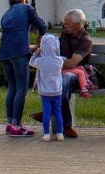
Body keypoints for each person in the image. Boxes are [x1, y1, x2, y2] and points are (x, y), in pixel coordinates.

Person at [30, 8, 91, 138]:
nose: (64, 25)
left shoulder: (86, 40)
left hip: (80, 74)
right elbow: (52, 51)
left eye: (68, 23)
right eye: (64, 22)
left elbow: (73, 62)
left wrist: (51, 64)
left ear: (78, 24)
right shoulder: (64, 35)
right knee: (55, 79)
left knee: (64, 80)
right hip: (59, 70)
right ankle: (55, 114)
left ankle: (64, 123)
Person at [0, 0, 47, 137]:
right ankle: (17, 125)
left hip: (4, 53)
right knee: (21, 89)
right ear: (24, 0)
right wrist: (42, 39)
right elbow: (41, 25)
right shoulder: (27, 8)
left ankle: (10, 123)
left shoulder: (6, 14)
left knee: (12, 88)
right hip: (19, 53)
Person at [29, 33, 65, 141]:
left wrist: (36, 53)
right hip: (57, 90)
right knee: (58, 111)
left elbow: (31, 62)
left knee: (47, 112)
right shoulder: (59, 60)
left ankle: (46, 134)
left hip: (45, 91)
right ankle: (60, 134)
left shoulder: (40, 61)